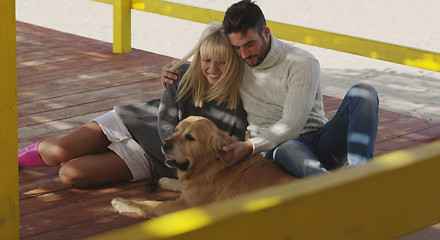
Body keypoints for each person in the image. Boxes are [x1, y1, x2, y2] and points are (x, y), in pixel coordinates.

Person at [162, 0, 379, 178]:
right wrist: (175, 70)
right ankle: (331, 187)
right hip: (278, 151)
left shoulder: (301, 62)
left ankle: (361, 177)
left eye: (249, 44)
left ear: (265, 32)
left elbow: (293, 125)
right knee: (287, 147)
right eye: (236, 47)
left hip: (320, 141)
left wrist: (249, 145)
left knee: (364, 93)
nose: (244, 54)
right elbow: (212, 66)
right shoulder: (237, 62)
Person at [18, 22, 248, 187]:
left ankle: (94, 153)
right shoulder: (181, 74)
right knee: (59, 151)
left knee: (70, 173)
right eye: (206, 59)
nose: (212, 69)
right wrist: (174, 148)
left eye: (222, 62)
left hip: (153, 159)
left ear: (234, 62)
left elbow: (227, 154)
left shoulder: (242, 104)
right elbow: (166, 122)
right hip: (133, 122)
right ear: (199, 57)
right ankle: (10, 160)